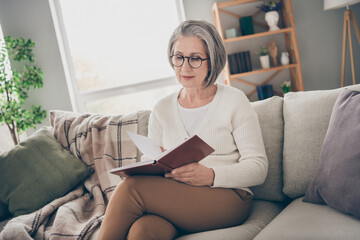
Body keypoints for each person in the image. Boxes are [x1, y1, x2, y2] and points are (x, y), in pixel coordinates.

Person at [97, 20, 268, 240]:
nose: (185, 67)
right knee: (142, 231)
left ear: (212, 60)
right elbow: (150, 160)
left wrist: (211, 175)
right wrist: (157, 162)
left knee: (131, 189)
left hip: (229, 197)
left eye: (195, 58)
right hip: (177, 201)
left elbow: (258, 168)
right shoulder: (161, 108)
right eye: (179, 57)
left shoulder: (234, 101)